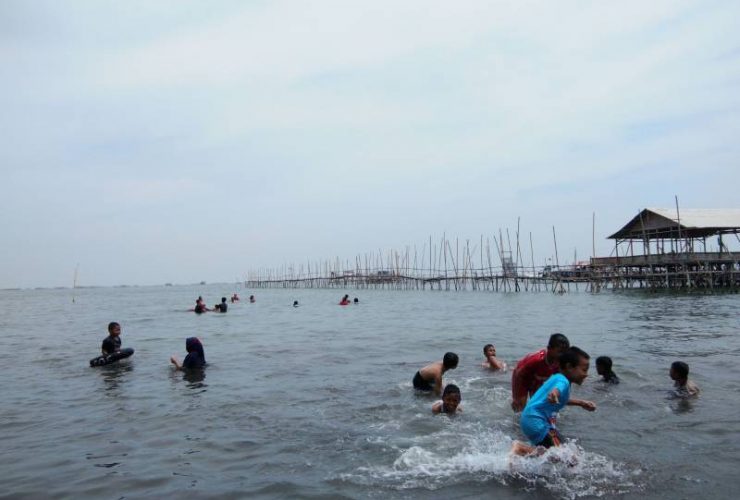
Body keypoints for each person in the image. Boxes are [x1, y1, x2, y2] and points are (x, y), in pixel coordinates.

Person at [512, 347, 596, 456]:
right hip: (537, 421)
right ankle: (520, 448)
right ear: (569, 367)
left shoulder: (557, 377)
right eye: (584, 370)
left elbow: (562, 399)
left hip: (532, 419)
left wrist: (581, 403)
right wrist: (554, 393)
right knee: (563, 455)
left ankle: (523, 454)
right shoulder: (563, 381)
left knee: (567, 454)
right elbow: (557, 390)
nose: (586, 374)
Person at [511, 333, 570, 411]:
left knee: (536, 405)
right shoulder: (536, 360)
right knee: (521, 407)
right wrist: (518, 395)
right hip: (521, 377)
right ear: (549, 348)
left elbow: (560, 380)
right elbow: (519, 374)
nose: (562, 355)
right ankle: (514, 415)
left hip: (537, 378)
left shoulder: (559, 362)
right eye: (560, 351)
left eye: (564, 352)